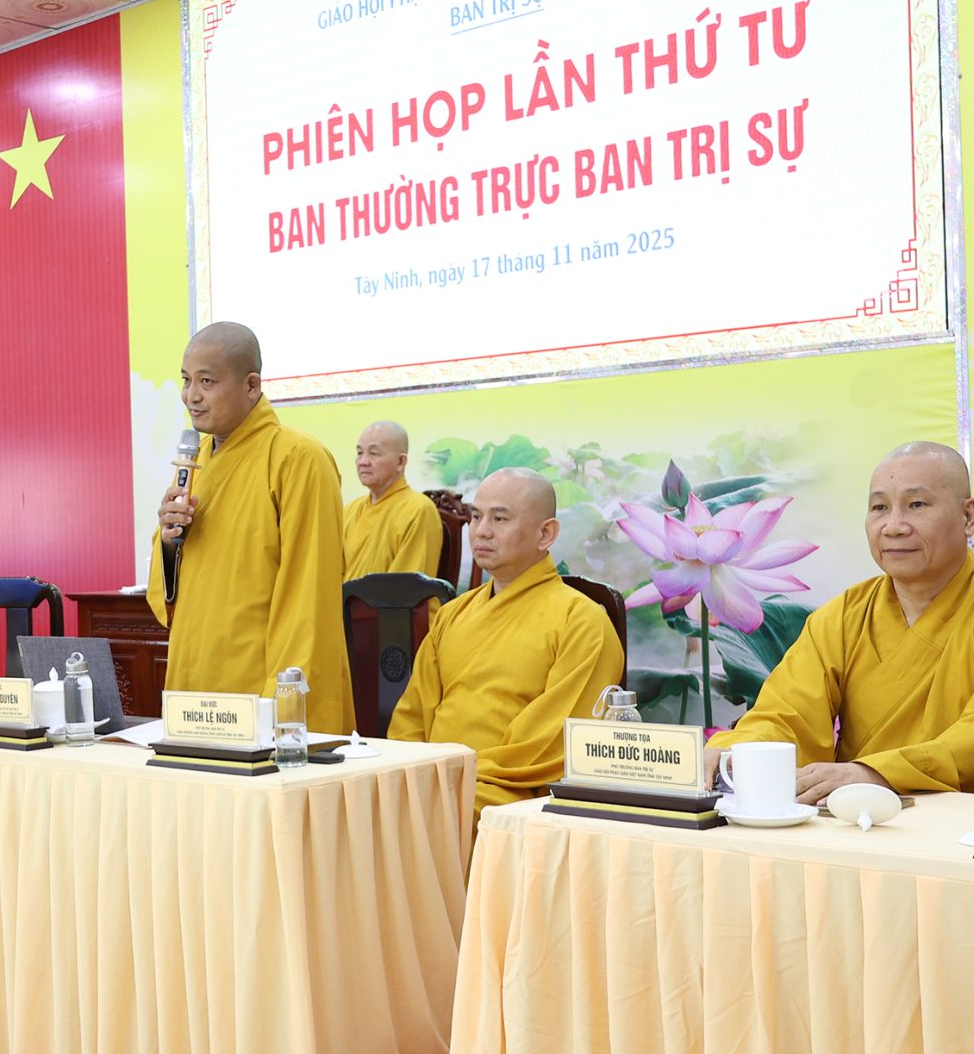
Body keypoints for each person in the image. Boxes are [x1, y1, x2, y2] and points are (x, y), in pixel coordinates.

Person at [712, 442, 974, 800]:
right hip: (854, 817)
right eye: (879, 507)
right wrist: (733, 752)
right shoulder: (843, 617)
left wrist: (876, 774)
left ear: (967, 517)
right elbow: (785, 715)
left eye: (917, 504)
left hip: (971, 823)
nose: (893, 527)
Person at [151, 321, 352, 730]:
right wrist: (170, 543)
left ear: (251, 385)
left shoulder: (297, 458)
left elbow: (309, 593)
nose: (192, 396)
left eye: (207, 381)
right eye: (186, 380)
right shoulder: (195, 462)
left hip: (260, 689)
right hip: (195, 682)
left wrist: (282, 700)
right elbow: (170, 595)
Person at [389, 468, 624, 808]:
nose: (482, 531)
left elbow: (556, 742)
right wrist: (414, 775)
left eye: (500, 519)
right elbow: (411, 718)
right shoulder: (453, 615)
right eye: (476, 517)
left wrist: (453, 776)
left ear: (545, 533)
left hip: (509, 792)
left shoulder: (582, 621)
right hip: (434, 781)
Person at [342, 420, 445, 580]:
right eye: (360, 453)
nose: (363, 462)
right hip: (343, 597)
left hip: (390, 598)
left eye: (374, 453)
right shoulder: (350, 510)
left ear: (400, 462)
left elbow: (406, 587)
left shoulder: (418, 510)